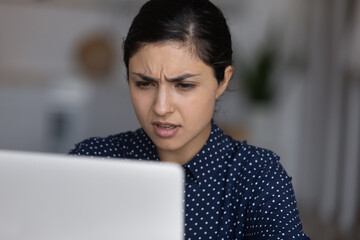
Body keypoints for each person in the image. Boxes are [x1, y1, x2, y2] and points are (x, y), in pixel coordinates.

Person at [69, 0, 310, 239]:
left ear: (223, 81)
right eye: (144, 83)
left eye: (184, 85)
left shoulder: (257, 177)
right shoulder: (92, 161)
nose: (161, 107)